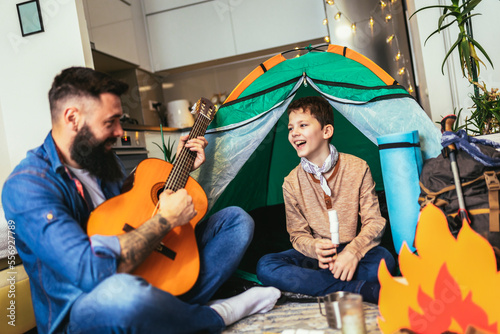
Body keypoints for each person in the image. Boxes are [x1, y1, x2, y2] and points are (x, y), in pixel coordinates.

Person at [2, 67, 280, 334]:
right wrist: (165, 220)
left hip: (146, 271)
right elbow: (88, 271)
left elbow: (132, 209)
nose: (119, 132)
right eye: (109, 122)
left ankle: (171, 312)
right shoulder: (28, 186)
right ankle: (217, 314)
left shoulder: (100, 159)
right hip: (83, 309)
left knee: (236, 221)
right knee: (122, 294)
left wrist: (179, 169)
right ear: (72, 118)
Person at [256, 96, 396, 304]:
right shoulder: (291, 182)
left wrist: (353, 252)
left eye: (303, 125)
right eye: (291, 128)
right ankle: (358, 289)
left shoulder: (358, 168)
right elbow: (297, 235)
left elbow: (374, 222)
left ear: (326, 131)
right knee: (266, 266)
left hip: (352, 250)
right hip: (317, 258)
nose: (294, 133)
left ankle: (320, 286)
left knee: (384, 260)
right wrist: (314, 248)